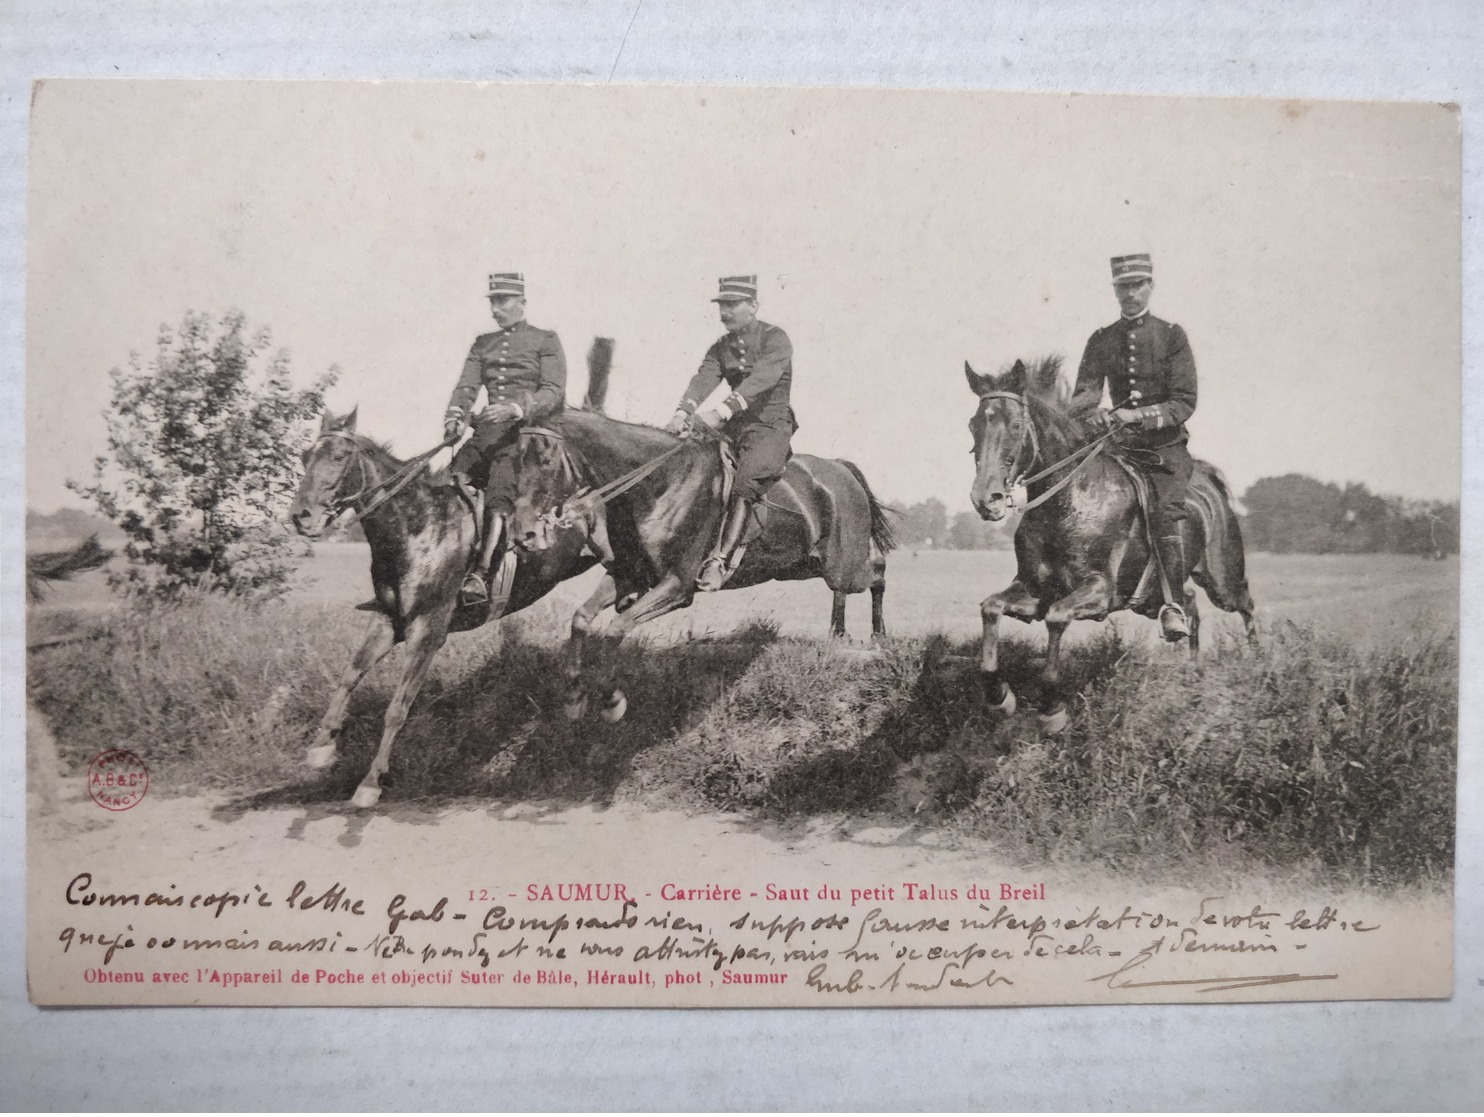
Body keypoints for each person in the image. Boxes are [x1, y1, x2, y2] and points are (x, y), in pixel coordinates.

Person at [1071, 253, 1198, 641]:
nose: (1129, 293)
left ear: (1150, 286)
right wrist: (1091, 414)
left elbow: (1183, 401)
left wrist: (1137, 416)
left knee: (1162, 512)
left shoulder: (1171, 335)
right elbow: (1083, 396)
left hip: (1163, 450)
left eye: (1136, 285)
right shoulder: (1101, 339)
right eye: (1122, 287)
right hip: (1117, 448)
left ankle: (1173, 604)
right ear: (1115, 290)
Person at [665, 275, 797, 591]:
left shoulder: (775, 339)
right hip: (732, 429)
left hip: (768, 428)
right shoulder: (720, 347)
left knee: (743, 486)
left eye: (732, 305)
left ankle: (719, 561)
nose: (725, 312)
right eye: (722, 305)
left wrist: (722, 410)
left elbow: (762, 380)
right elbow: (703, 378)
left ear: (753, 305)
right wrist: (683, 412)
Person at [444, 272, 567, 605]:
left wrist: (516, 408)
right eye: (493, 302)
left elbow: (553, 392)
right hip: (486, 433)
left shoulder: (546, 339)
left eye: (503, 301)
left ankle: (482, 575)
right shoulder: (482, 343)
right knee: (447, 483)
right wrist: (455, 417)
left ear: (522, 303)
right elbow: (467, 386)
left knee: (500, 492)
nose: (495, 309)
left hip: (526, 438)